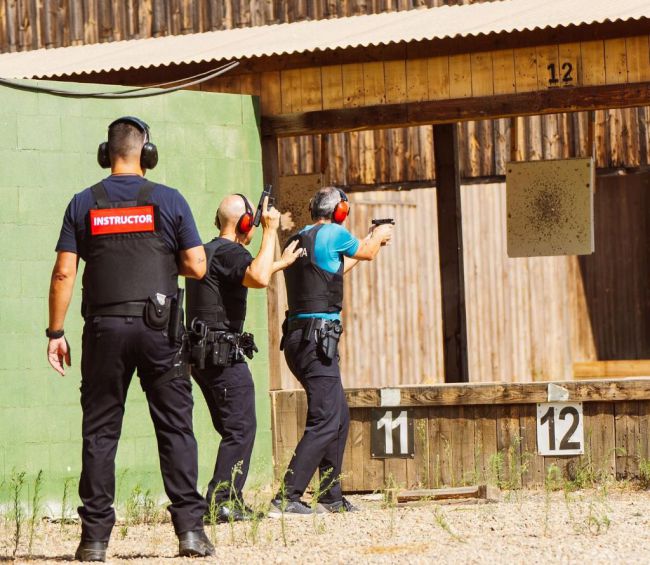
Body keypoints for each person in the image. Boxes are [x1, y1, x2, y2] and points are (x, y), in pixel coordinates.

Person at [46, 116, 214, 561]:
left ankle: (94, 542)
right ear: (148, 154)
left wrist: (55, 332)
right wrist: (159, 261)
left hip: (103, 330)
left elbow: (64, 271)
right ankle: (191, 534)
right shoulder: (170, 200)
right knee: (175, 426)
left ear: (107, 153)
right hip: (160, 329)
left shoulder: (83, 203)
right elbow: (197, 265)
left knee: (100, 432)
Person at [270, 186, 394, 516]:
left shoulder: (298, 238)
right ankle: (287, 496)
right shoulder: (335, 233)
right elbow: (365, 254)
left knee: (338, 415)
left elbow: (332, 272)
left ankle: (330, 495)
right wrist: (378, 237)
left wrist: (370, 242)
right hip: (316, 342)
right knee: (325, 419)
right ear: (339, 211)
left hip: (299, 340)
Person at [185, 193, 302, 522]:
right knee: (241, 427)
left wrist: (280, 263)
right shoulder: (232, 250)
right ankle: (222, 500)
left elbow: (247, 273)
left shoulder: (209, 251)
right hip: (221, 355)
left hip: (203, 356)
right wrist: (269, 232)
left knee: (232, 428)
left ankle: (225, 498)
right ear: (246, 222)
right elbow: (258, 277)